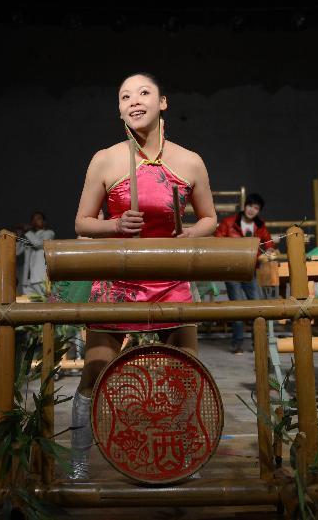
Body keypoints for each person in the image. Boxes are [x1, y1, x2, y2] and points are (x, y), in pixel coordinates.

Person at [68, 72, 217, 479]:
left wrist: (189, 233)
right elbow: (82, 222)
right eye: (125, 96)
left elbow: (210, 218)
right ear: (119, 108)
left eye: (144, 93)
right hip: (118, 278)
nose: (134, 101)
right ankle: (78, 458)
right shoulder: (106, 158)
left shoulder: (189, 161)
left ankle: (187, 456)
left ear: (163, 102)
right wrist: (114, 226)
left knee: (185, 375)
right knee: (95, 371)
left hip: (170, 278)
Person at [215, 193, 276, 354]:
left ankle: (259, 344)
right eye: (250, 206)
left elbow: (268, 244)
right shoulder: (229, 222)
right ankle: (238, 344)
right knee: (237, 308)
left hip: (251, 271)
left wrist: (269, 251)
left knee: (257, 306)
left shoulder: (260, 226)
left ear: (259, 211)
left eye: (256, 208)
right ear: (245, 206)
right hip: (232, 271)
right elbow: (217, 241)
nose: (251, 210)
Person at [15, 211, 55, 298]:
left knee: (45, 302)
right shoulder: (29, 236)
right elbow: (17, 252)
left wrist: (27, 231)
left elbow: (38, 244)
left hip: (41, 278)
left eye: (38, 218)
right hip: (27, 280)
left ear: (44, 222)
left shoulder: (49, 233)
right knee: (31, 305)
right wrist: (18, 236)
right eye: (33, 219)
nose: (35, 221)